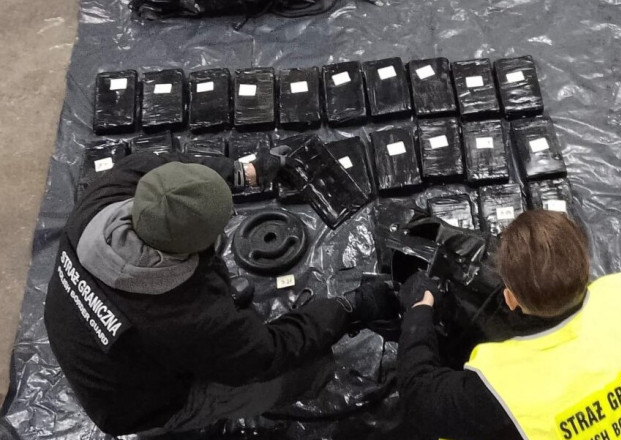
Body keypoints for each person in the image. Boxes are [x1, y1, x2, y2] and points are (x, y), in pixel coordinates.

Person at [44, 151, 397, 436]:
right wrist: (348, 307)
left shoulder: (112, 191)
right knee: (308, 367)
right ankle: (168, 425)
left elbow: (174, 166)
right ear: (195, 247)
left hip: (80, 340)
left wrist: (247, 171)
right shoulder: (184, 314)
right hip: (128, 404)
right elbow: (268, 354)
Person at [397, 210, 621, 440]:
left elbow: (419, 400)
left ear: (510, 299)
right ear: (586, 265)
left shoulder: (505, 384)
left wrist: (419, 310)